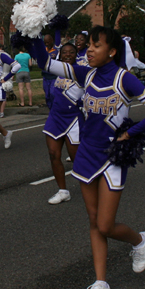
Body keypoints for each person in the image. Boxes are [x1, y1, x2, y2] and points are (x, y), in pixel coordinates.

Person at [29, 26, 145, 289]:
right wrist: (32, 31)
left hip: (112, 156)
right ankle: (101, 283)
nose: (89, 49)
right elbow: (45, 63)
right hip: (86, 155)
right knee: (94, 221)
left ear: (112, 51)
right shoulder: (86, 74)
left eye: (96, 45)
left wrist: (130, 133)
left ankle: (139, 241)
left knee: (105, 224)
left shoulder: (125, 79)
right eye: (89, 45)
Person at [41, 42, 83, 205]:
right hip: (55, 117)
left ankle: (92, 185)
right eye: (64, 52)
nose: (67, 55)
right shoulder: (58, 70)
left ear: (76, 54)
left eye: (71, 52)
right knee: (53, 154)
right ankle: (63, 191)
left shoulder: (81, 72)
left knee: (76, 159)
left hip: (73, 119)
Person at [41, 34, 58, 109]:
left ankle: (55, 109)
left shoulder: (56, 50)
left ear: (52, 41)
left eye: (48, 42)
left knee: (52, 93)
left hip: (54, 76)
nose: (47, 44)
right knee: (47, 95)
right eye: (45, 43)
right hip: (45, 76)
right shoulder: (43, 50)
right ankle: (50, 109)